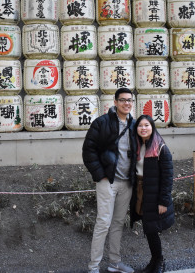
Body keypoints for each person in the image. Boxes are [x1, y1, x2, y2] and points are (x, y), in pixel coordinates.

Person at [82, 88, 137, 273]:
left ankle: (115, 262)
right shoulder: (101, 123)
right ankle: (93, 266)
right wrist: (100, 175)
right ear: (115, 102)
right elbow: (88, 150)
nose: (126, 103)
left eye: (129, 100)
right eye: (122, 100)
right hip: (108, 181)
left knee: (118, 223)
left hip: (126, 182)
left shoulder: (135, 124)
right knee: (103, 222)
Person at [130, 115, 175, 273]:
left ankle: (159, 262)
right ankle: (154, 261)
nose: (143, 128)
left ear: (152, 127)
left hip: (154, 194)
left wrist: (163, 201)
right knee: (149, 228)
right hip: (142, 192)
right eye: (140, 125)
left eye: (146, 125)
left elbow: (168, 177)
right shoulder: (137, 145)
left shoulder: (160, 147)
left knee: (152, 228)